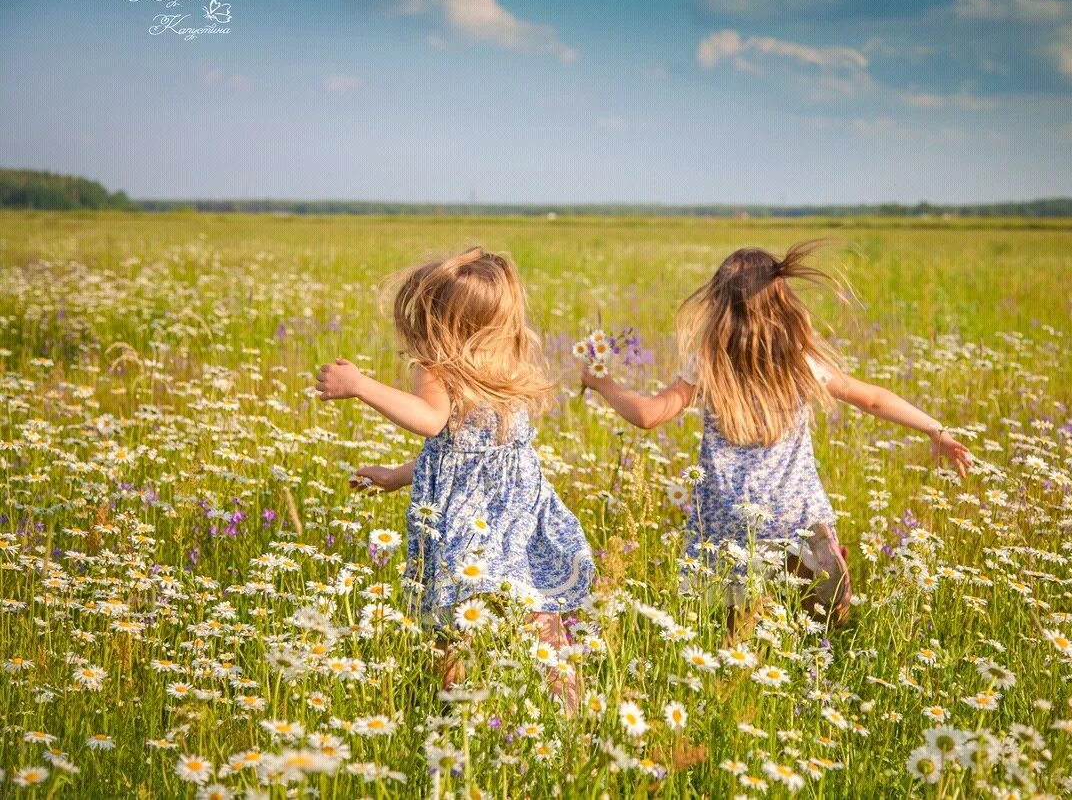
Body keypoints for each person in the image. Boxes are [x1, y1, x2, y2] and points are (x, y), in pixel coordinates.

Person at [581, 241, 972, 626]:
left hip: (730, 520)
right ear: (782, 302)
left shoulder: (709, 363)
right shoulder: (799, 360)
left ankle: (743, 652)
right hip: (796, 514)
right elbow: (870, 399)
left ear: (720, 307)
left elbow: (649, 415)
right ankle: (829, 586)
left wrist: (603, 384)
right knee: (821, 617)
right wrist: (935, 430)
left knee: (734, 625)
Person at [316, 248, 594, 712]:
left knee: (450, 622)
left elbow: (429, 421)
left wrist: (361, 385)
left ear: (441, 321)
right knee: (541, 611)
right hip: (519, 513)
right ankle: (569, 714)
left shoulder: (439, 369)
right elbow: (457, 458)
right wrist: (395, 477)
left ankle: (453, 714)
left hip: (467, 523)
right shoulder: (511, 363)